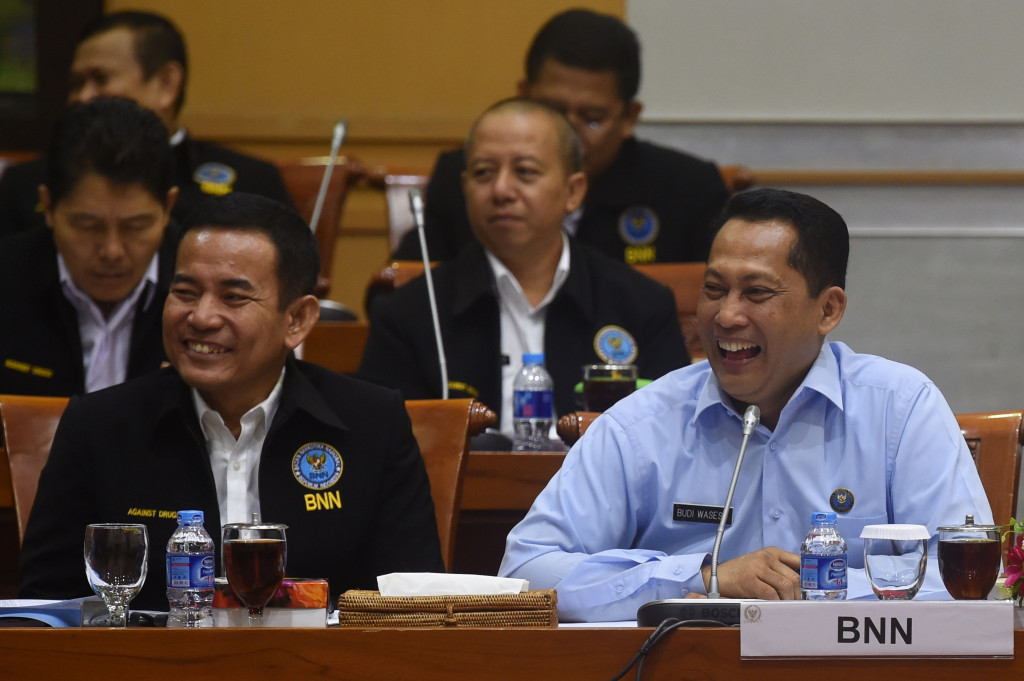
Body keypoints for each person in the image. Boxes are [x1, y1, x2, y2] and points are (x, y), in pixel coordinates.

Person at [499, 188, 993, 621]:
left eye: (756, 293)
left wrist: (813, 591)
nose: (726, 315)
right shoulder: (644, 423)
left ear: (828, 309)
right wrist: (701, 576)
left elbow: (969, 585)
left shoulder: (900, 411)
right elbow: (526, 571)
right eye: (714, 290)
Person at [19, 192, 444, 611]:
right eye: (185, 291)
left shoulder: (372, 423)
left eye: (233, 297)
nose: (202, 317)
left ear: (296, 320)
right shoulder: (99, 427)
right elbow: (44, 608)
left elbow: (411, 606)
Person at [359, 99, 689, 435]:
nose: (501, 190)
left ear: (573, 191)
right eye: (484, 173)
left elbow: (673, 437)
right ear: (465, 188)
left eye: (525, 172)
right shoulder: (409, 314)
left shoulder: (641, 304)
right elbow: (383, 447)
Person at [393, 8, 729, 266]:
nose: (567, 132)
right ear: (523, 95)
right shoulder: (468, 178)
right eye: (550, 109)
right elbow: (404, 288)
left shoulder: (689, 190)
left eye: (591, 119)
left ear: (629, 117)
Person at [0, 10, 292, 239]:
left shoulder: (252, 183)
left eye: (100, 79)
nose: (82, 97)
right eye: (77, 83)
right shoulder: (25, 184)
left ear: (166, 84)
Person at [0, 96, 178, 396]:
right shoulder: (7, 279)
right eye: (88, 226)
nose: (112, 251)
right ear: (48, 207)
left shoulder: (210, 293)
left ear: (168, 208)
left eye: (135, 227)